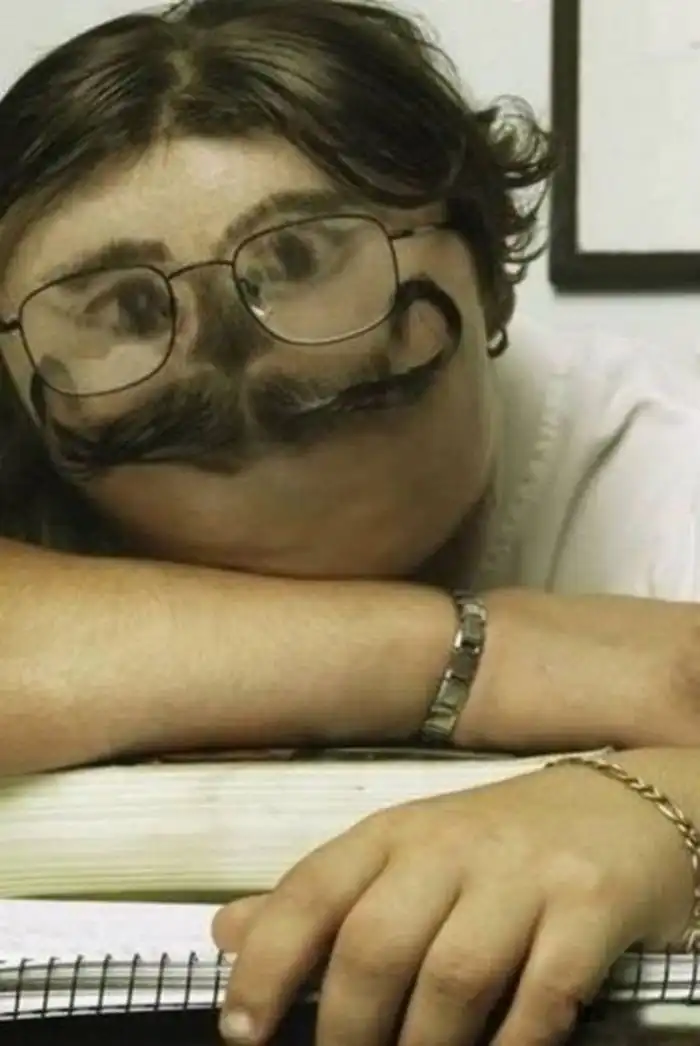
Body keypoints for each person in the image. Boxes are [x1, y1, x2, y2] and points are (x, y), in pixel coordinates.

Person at [1, 0, 700, 1043]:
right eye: (120, 308)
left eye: (307, 258)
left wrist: (659, 817)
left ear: (488, 269)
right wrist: (488, 658)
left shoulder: (657, 470)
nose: (234, 349)